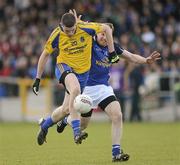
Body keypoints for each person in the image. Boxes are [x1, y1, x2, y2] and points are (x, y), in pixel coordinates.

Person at [56, 23, 160, 161]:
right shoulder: (88, 42)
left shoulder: (113, 48)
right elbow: (73, 37)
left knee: (117, 115)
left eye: (107, 35)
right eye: (102, 34)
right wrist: (77, 23)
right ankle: (65, 121)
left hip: (103, 88)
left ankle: (116, 152)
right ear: (97, 33)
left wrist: (146, 60)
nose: (104, 37)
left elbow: (131, 57)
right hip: (86, 89)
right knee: (84, 125)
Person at [32, 10, 119, 146]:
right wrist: (37, 78)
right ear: (61, 25)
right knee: (75, 89)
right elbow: (44, 55)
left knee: (66, 109)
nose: (71, 33)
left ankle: (45, 125)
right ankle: (76, 132)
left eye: (73, 30)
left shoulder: (85, 28)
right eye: (68, 31)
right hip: (64, 67)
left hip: (83, 73)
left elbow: (107, 28)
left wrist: (112, 52)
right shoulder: (57, 34)